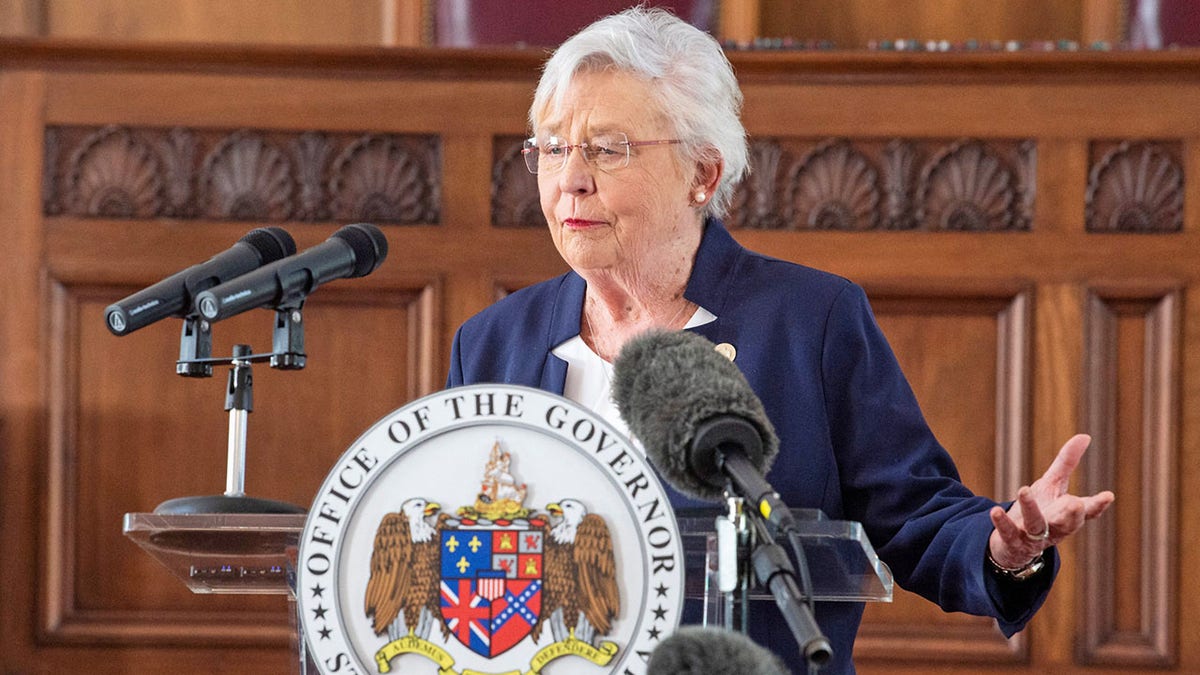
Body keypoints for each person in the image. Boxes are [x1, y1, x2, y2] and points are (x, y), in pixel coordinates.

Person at [446, 7, 1114, 673]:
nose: (570, 178)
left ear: (702, 175)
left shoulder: (810, 321)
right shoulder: (493, 344)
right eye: (553, 147)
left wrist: (1006, 551)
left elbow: (918, 515)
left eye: (607, 148)